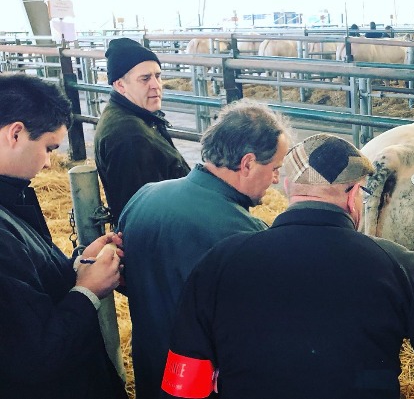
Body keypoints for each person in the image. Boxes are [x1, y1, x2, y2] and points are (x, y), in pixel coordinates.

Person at [161, 133, 414, 399]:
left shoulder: (220, 261)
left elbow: (184, 382)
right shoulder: (396, 264)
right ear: (353, 194)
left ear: (288, 188)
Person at [117, 99, 291, 399]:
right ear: (248, 163)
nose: (276, 179)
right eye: (275, 168)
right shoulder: (245, 234)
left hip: (151, 376)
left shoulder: (143, 198)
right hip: (204, 387)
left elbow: (128, 279)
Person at [0, 73, 126, 399]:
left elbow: (27, 291)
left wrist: (77, 267)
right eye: (48, 148)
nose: (47, 163)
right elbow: (34, 357)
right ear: (16, 133)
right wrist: (88, 290)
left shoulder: (11, 197)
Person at [94, 37, 191, 226]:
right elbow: (144, 215)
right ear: (120, 85)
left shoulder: (136, 118)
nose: (156, 85)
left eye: (158, 76)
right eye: (145, 79)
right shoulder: (130, 137)